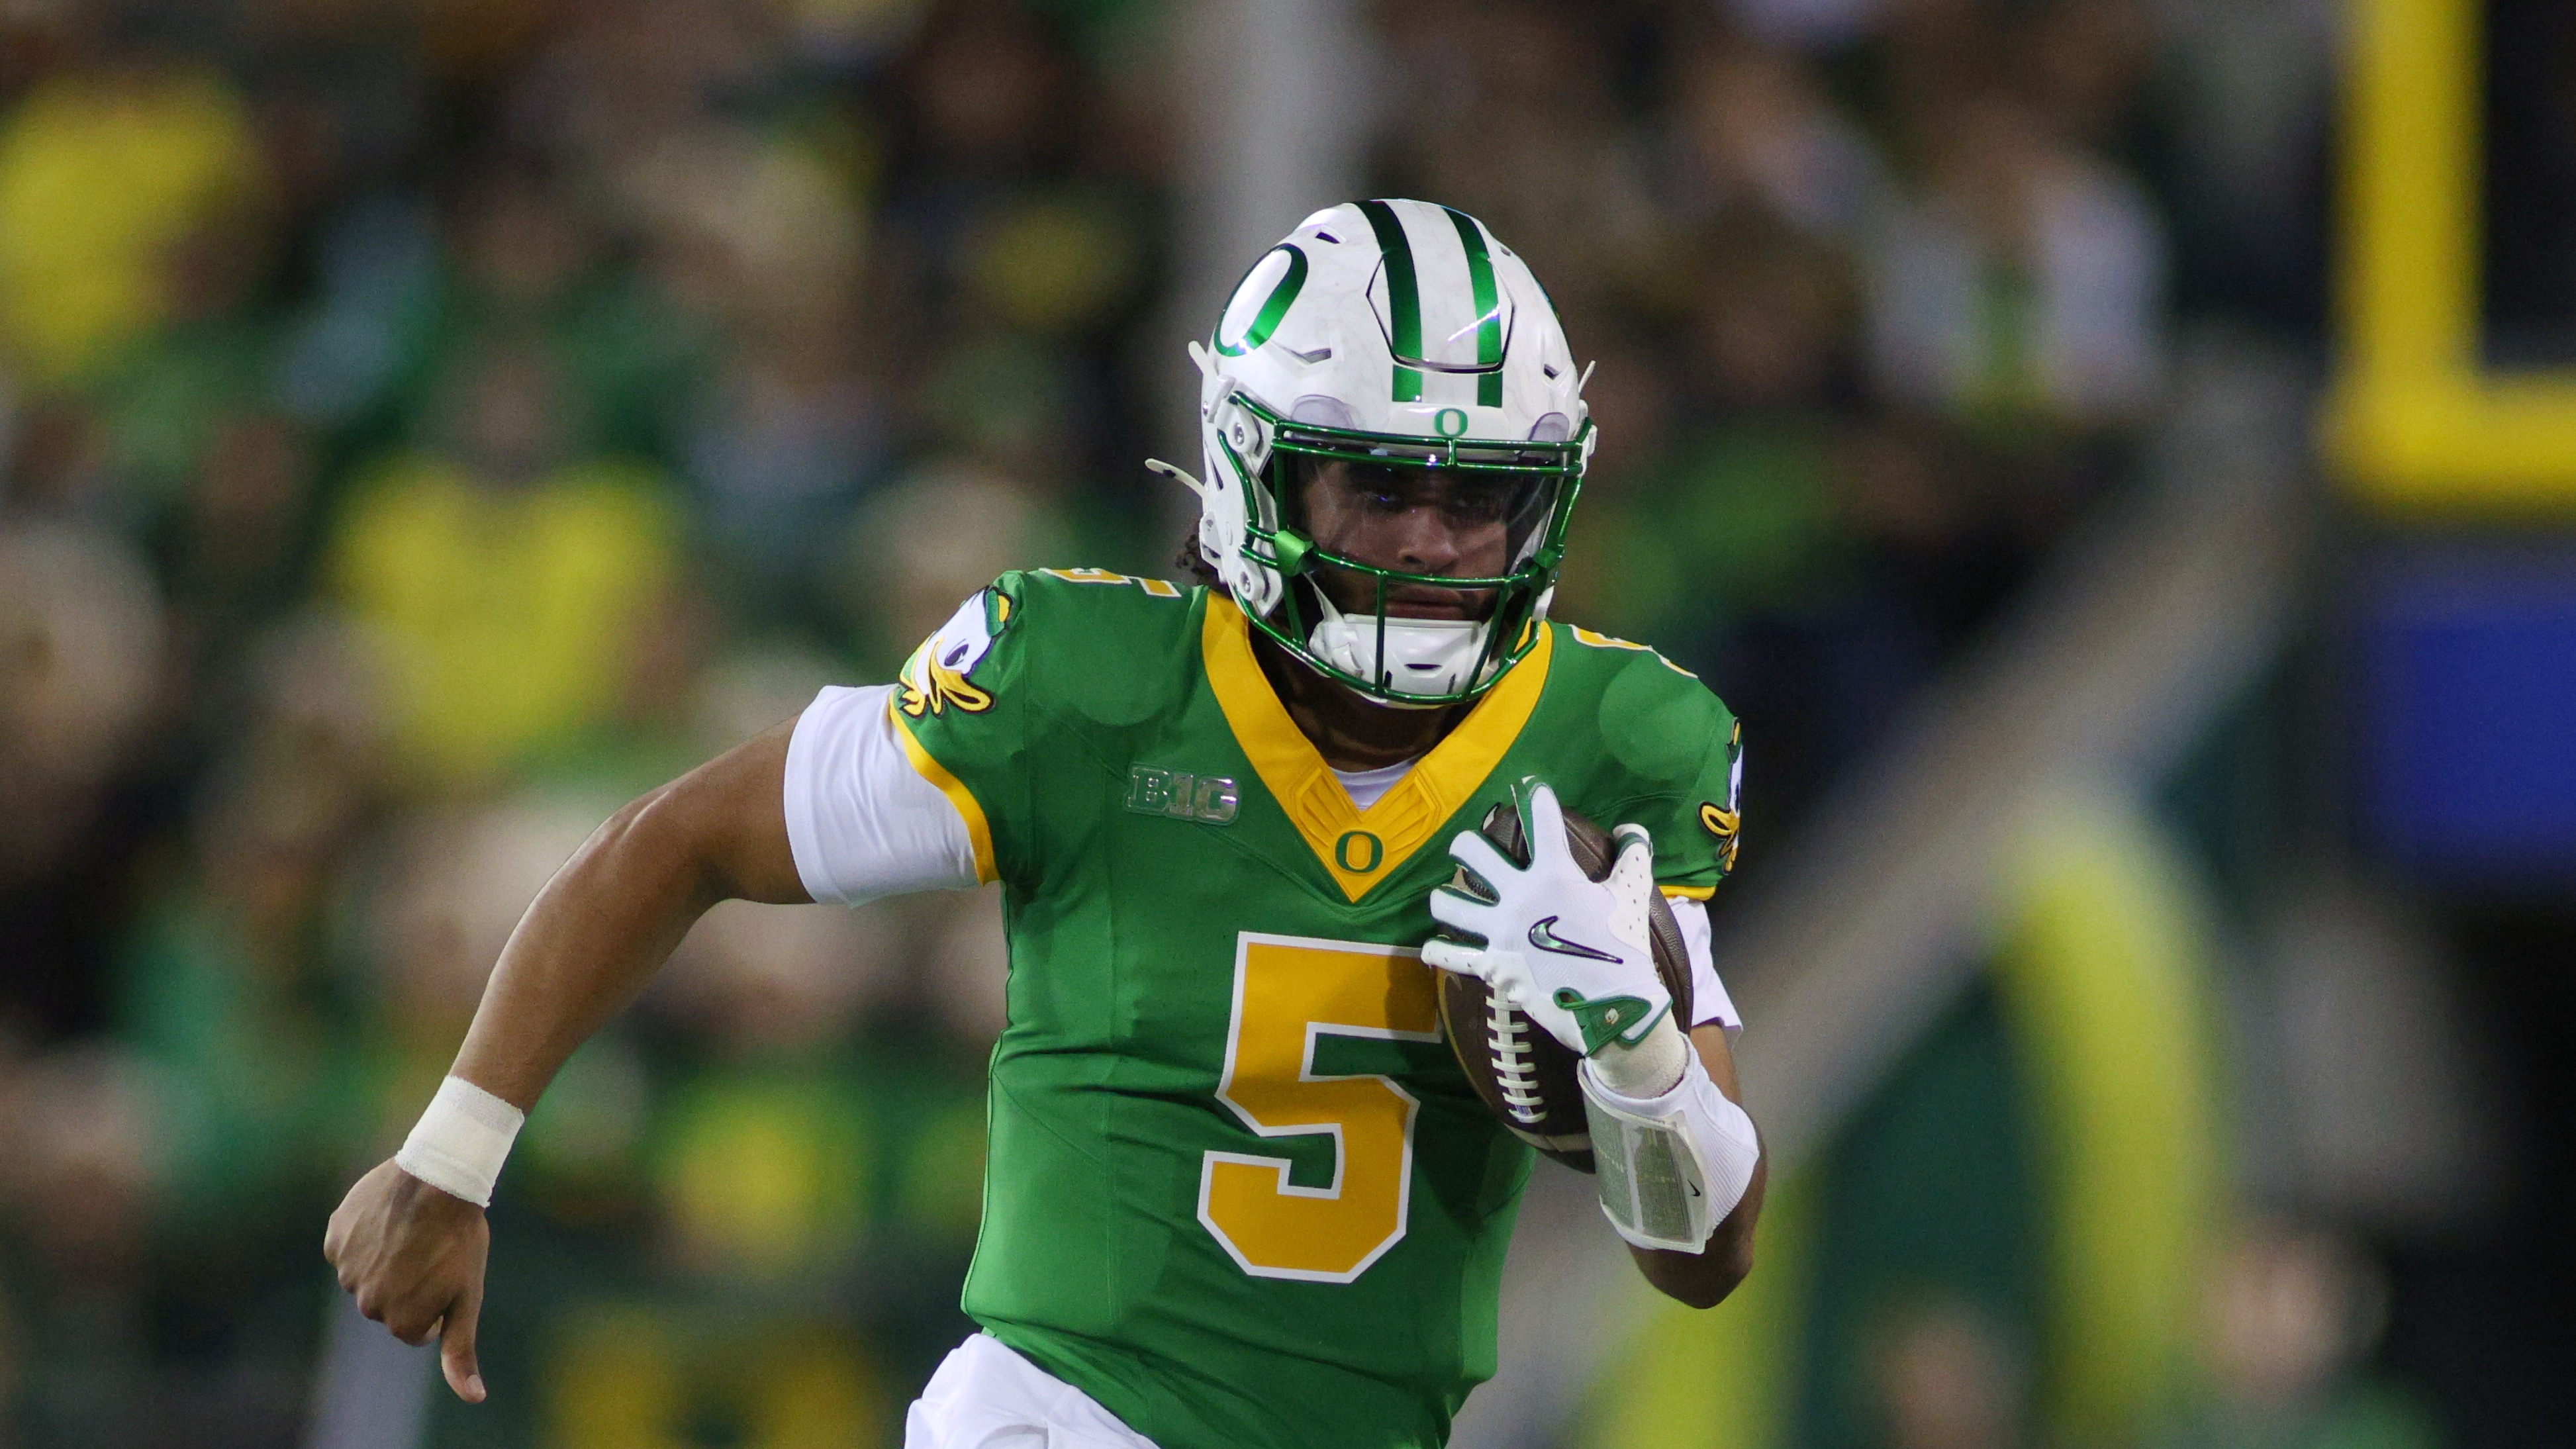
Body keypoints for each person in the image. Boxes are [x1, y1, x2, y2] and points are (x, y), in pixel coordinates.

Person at [325, 199, 1767, 1448]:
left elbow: (1703, 1256)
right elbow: (677, 837)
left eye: (1478, 493)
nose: (1432, 539)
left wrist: (1634, 1043)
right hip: (1059, 1416)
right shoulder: (1082, 686)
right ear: (1260, 468)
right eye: (1378, 483)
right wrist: (451, 1153)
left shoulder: (1618, 746)